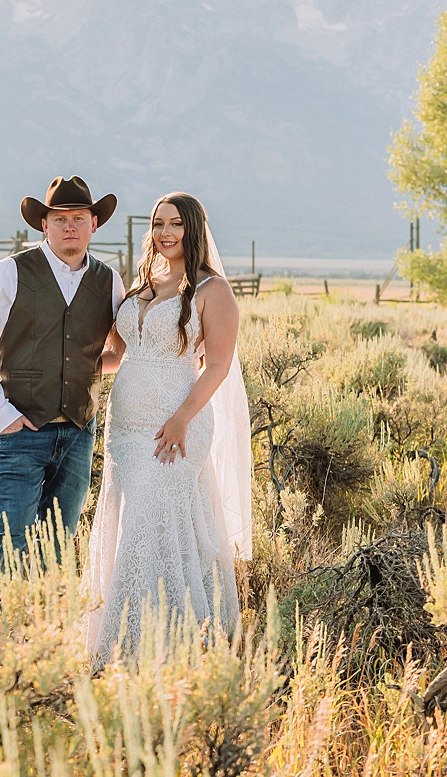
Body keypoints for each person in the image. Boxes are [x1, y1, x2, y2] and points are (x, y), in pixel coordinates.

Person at [85, 192, 253, 667]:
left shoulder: (213, 291)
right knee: (133, 526)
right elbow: (118, 356)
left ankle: (169, 650)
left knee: (152, 522)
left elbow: (217, 366)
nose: (165, 232)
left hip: (176, 427)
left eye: (175, 223)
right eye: (158, 223)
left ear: (193, 228)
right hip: (125, 430)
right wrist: (65, 369)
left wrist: (181, 418)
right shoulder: (143, 285)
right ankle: (124, 646)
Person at [0, 176, 124, 563]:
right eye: (59, 219)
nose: (70, 227)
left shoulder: (109, 281)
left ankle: (48, 605)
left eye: (79, 218)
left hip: (79, 434)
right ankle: (6, 606)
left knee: (59, 543)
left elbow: (118, 350)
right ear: (43, 224)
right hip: (21, 430)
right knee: (11, 539)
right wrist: (2, 413)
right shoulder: (10, 272)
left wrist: (85, 376)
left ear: (94, 224)